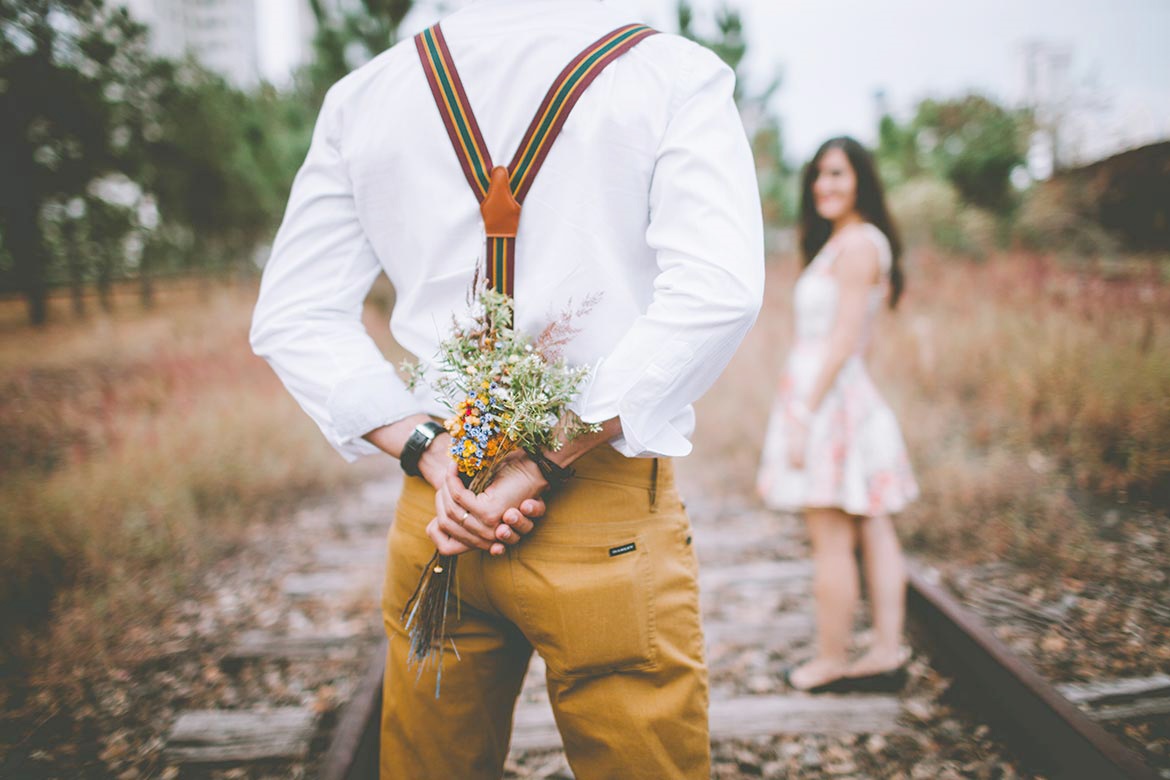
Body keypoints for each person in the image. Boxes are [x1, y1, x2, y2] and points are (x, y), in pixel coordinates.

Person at [249, 0, 764, 776]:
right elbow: (717, 291)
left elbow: (293, 313)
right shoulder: (670, 73)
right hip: (599, 505)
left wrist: (430, 449)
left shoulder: (366, 95)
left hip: (442, 513)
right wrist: (537, 461)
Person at [756, 136, 919, 694]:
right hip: (840, 395)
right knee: (872, 525)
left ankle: (831, 660)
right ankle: (884, 651)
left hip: (827, 402)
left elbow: (846, 336)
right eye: (818, 176)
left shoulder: (856, 246)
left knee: (831, 536)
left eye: (837, 174)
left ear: (861, 181)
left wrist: (804, 411)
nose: (824, 186)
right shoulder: (851, 242)